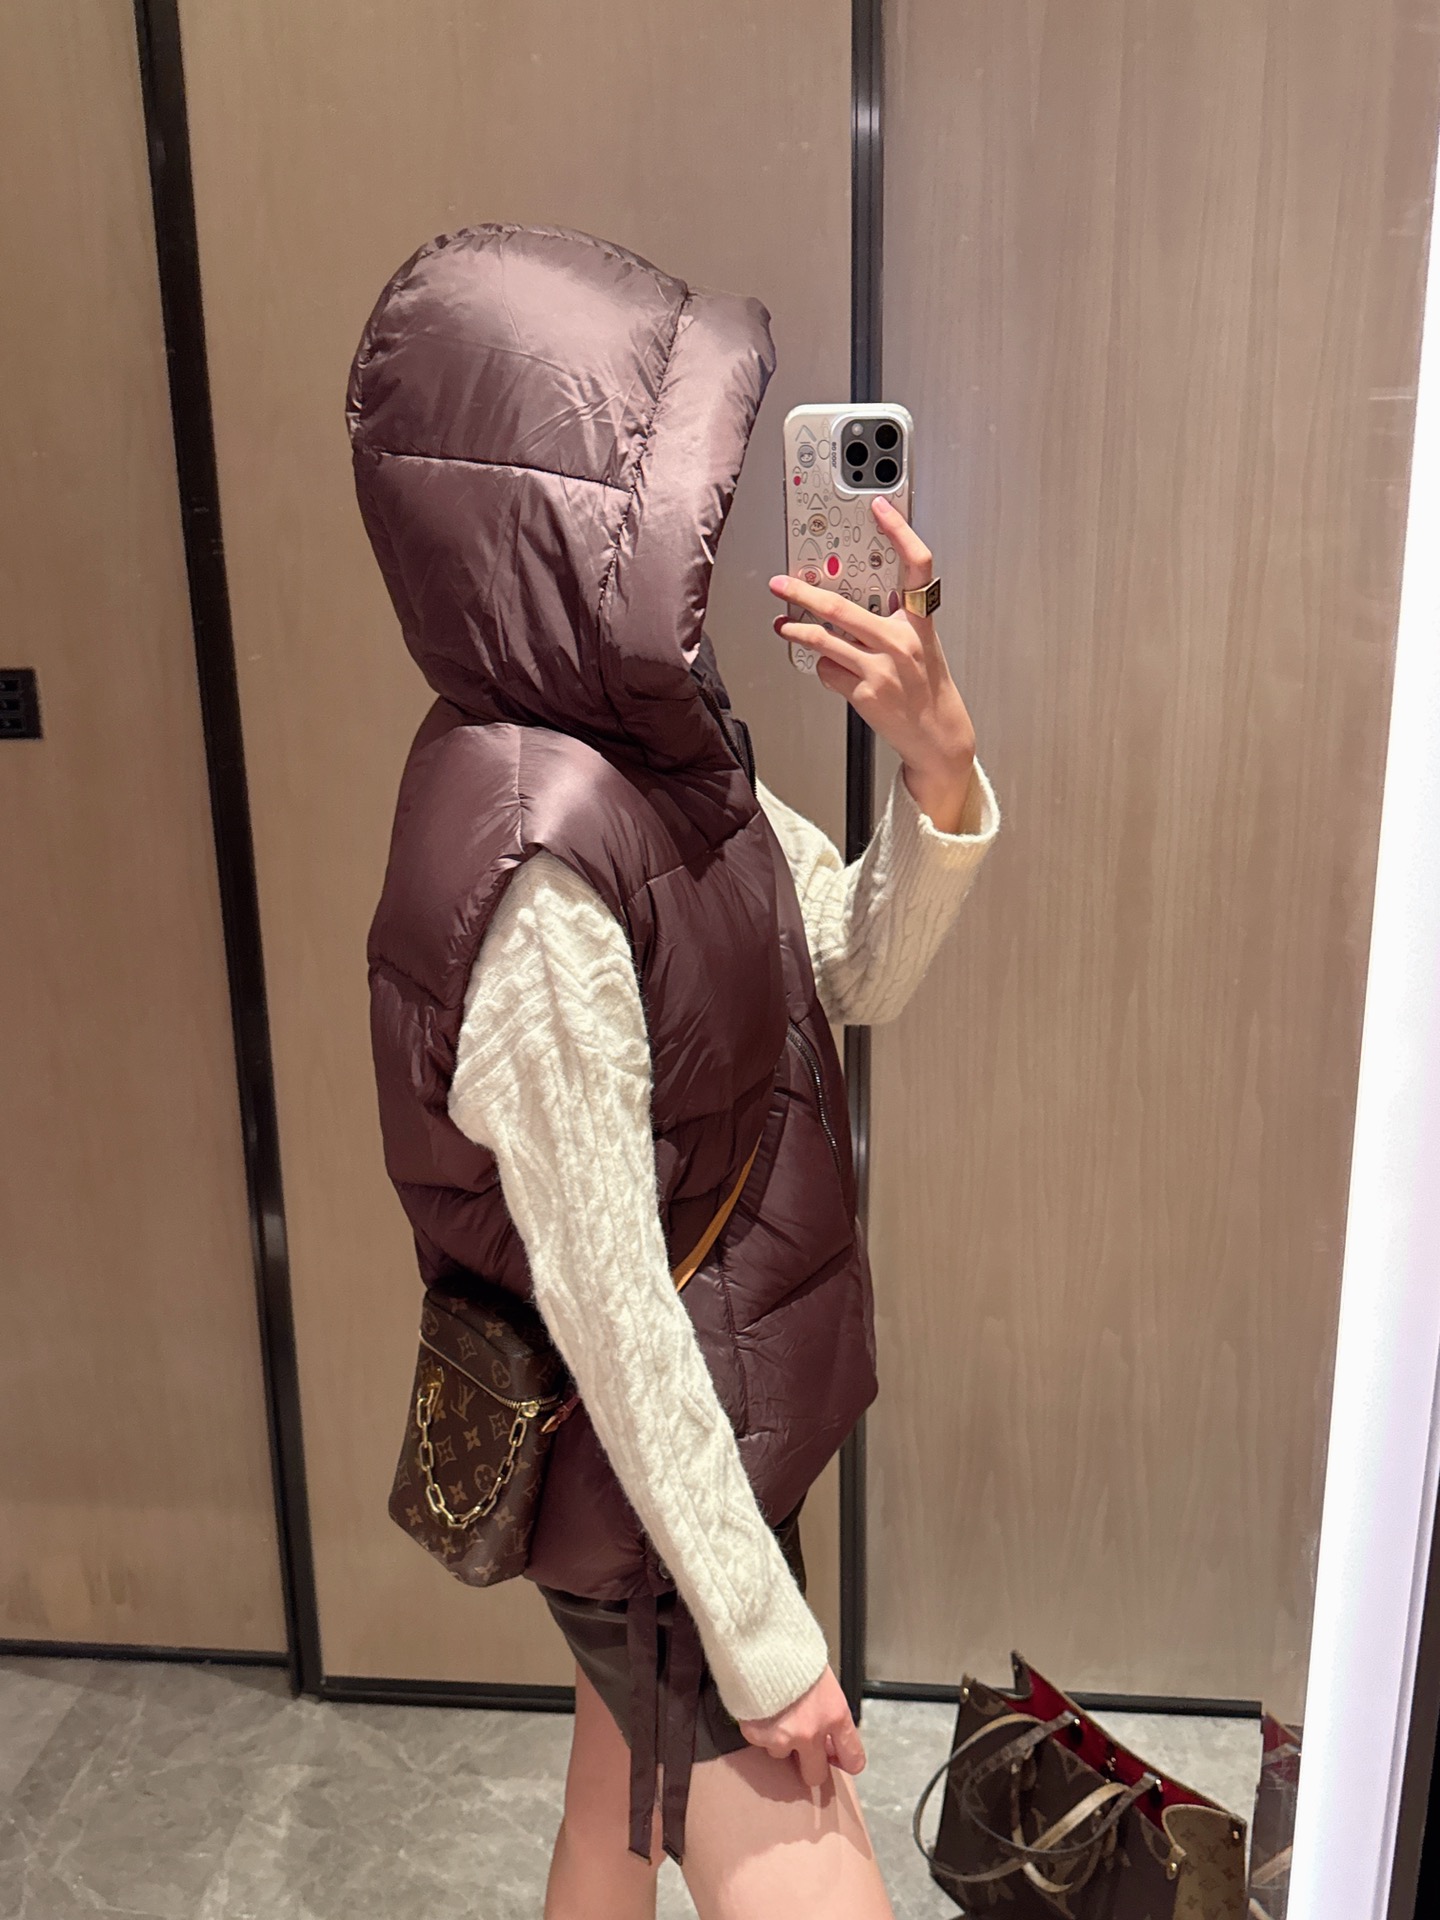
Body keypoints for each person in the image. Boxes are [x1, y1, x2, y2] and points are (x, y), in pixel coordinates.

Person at [349, 225, 1000, 1920]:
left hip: (693, 1457)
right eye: (673, 505)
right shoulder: (543, 862)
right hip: (657, 1489)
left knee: (609, 1826)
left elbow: (846, 962)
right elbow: (612, 1308)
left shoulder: (655, 746)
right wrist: (766, 1642)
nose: (703, 543)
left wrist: (938, 770)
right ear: (549, 535)